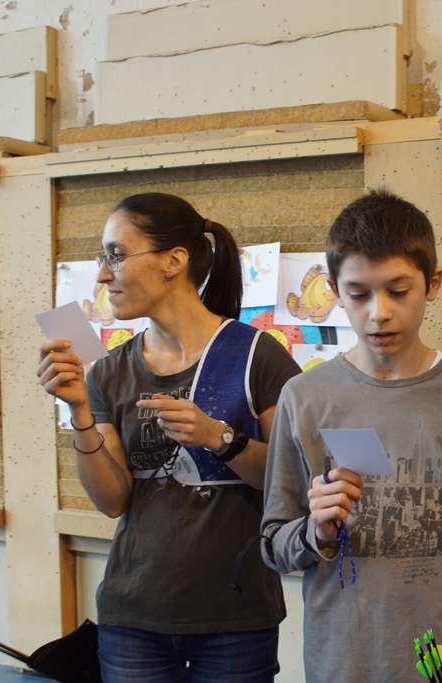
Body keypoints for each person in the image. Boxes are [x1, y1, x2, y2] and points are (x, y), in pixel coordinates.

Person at [261, 189, 442, 682]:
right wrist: (315, 533)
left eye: (398, 291)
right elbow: (272, 545)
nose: (379, 312)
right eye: (358, 294)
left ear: (433, 283)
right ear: (334, 290)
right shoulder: (304, 397)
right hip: (339, 666)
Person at [37, 192, 301, 682]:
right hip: (132, 616)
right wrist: (78, 409)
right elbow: (112, 500)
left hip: (236, 616)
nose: (103, 275)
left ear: (174, 261)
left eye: (116, 255)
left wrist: (220, 438)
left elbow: (294, 478)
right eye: (102, 258)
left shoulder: (256, 355)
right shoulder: (108, 371)